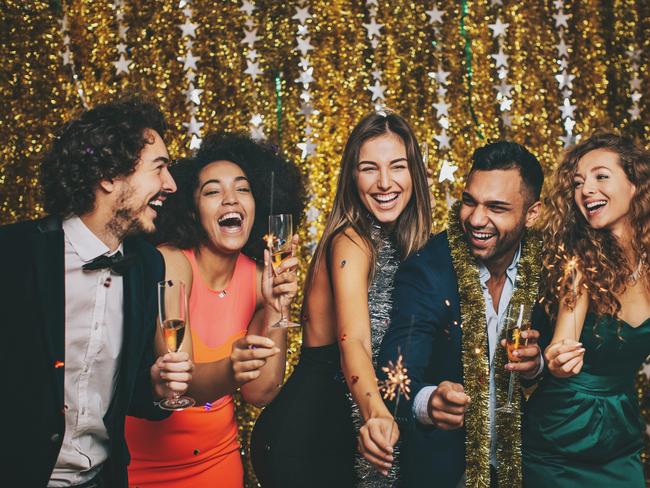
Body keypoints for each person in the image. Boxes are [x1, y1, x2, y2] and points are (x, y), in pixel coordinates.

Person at [0, 98, 193, 487]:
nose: (171, 184)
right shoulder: (15, 253)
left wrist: (155, 387)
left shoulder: (146, 266)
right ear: (108, 175)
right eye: (159, 168)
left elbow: (129, 394)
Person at [250, 111, 432, 487]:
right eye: (369, 168)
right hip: (309, 437)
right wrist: (376, 414)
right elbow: (355, 340)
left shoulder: (400, 245)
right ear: (352, 176)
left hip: (337, 433)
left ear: (414, 173)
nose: (384, 182)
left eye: (396, 166)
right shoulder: (352, 240)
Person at [125, 132, 305, 488]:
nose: (230, 200)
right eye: (212, 191)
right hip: (142, 467)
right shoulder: (171, 262)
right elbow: (180, 380)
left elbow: (260, 394)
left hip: (217, 463)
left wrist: (276, 307)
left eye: (242, 189)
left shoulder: (258, 278)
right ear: (192, 210)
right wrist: (231, 368)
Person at [379, 141, 547, 487]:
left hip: (529, 465)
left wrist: (536, 365)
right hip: (446, 470)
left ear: (532, 213)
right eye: (469, 201)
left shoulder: (545, 267)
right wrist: (429, 402)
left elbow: (556, 364)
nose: (475, 218)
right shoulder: (428, 271)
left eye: (496, 207)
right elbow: (393, 373)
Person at [522, 133, 650, 487]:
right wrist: (559, 361)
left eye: (600, 176)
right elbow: (561, 345)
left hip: (620, 435)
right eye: (578, 183)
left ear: (636, 184)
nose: (586, 189)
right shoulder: (579, 264)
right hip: (560, 436)